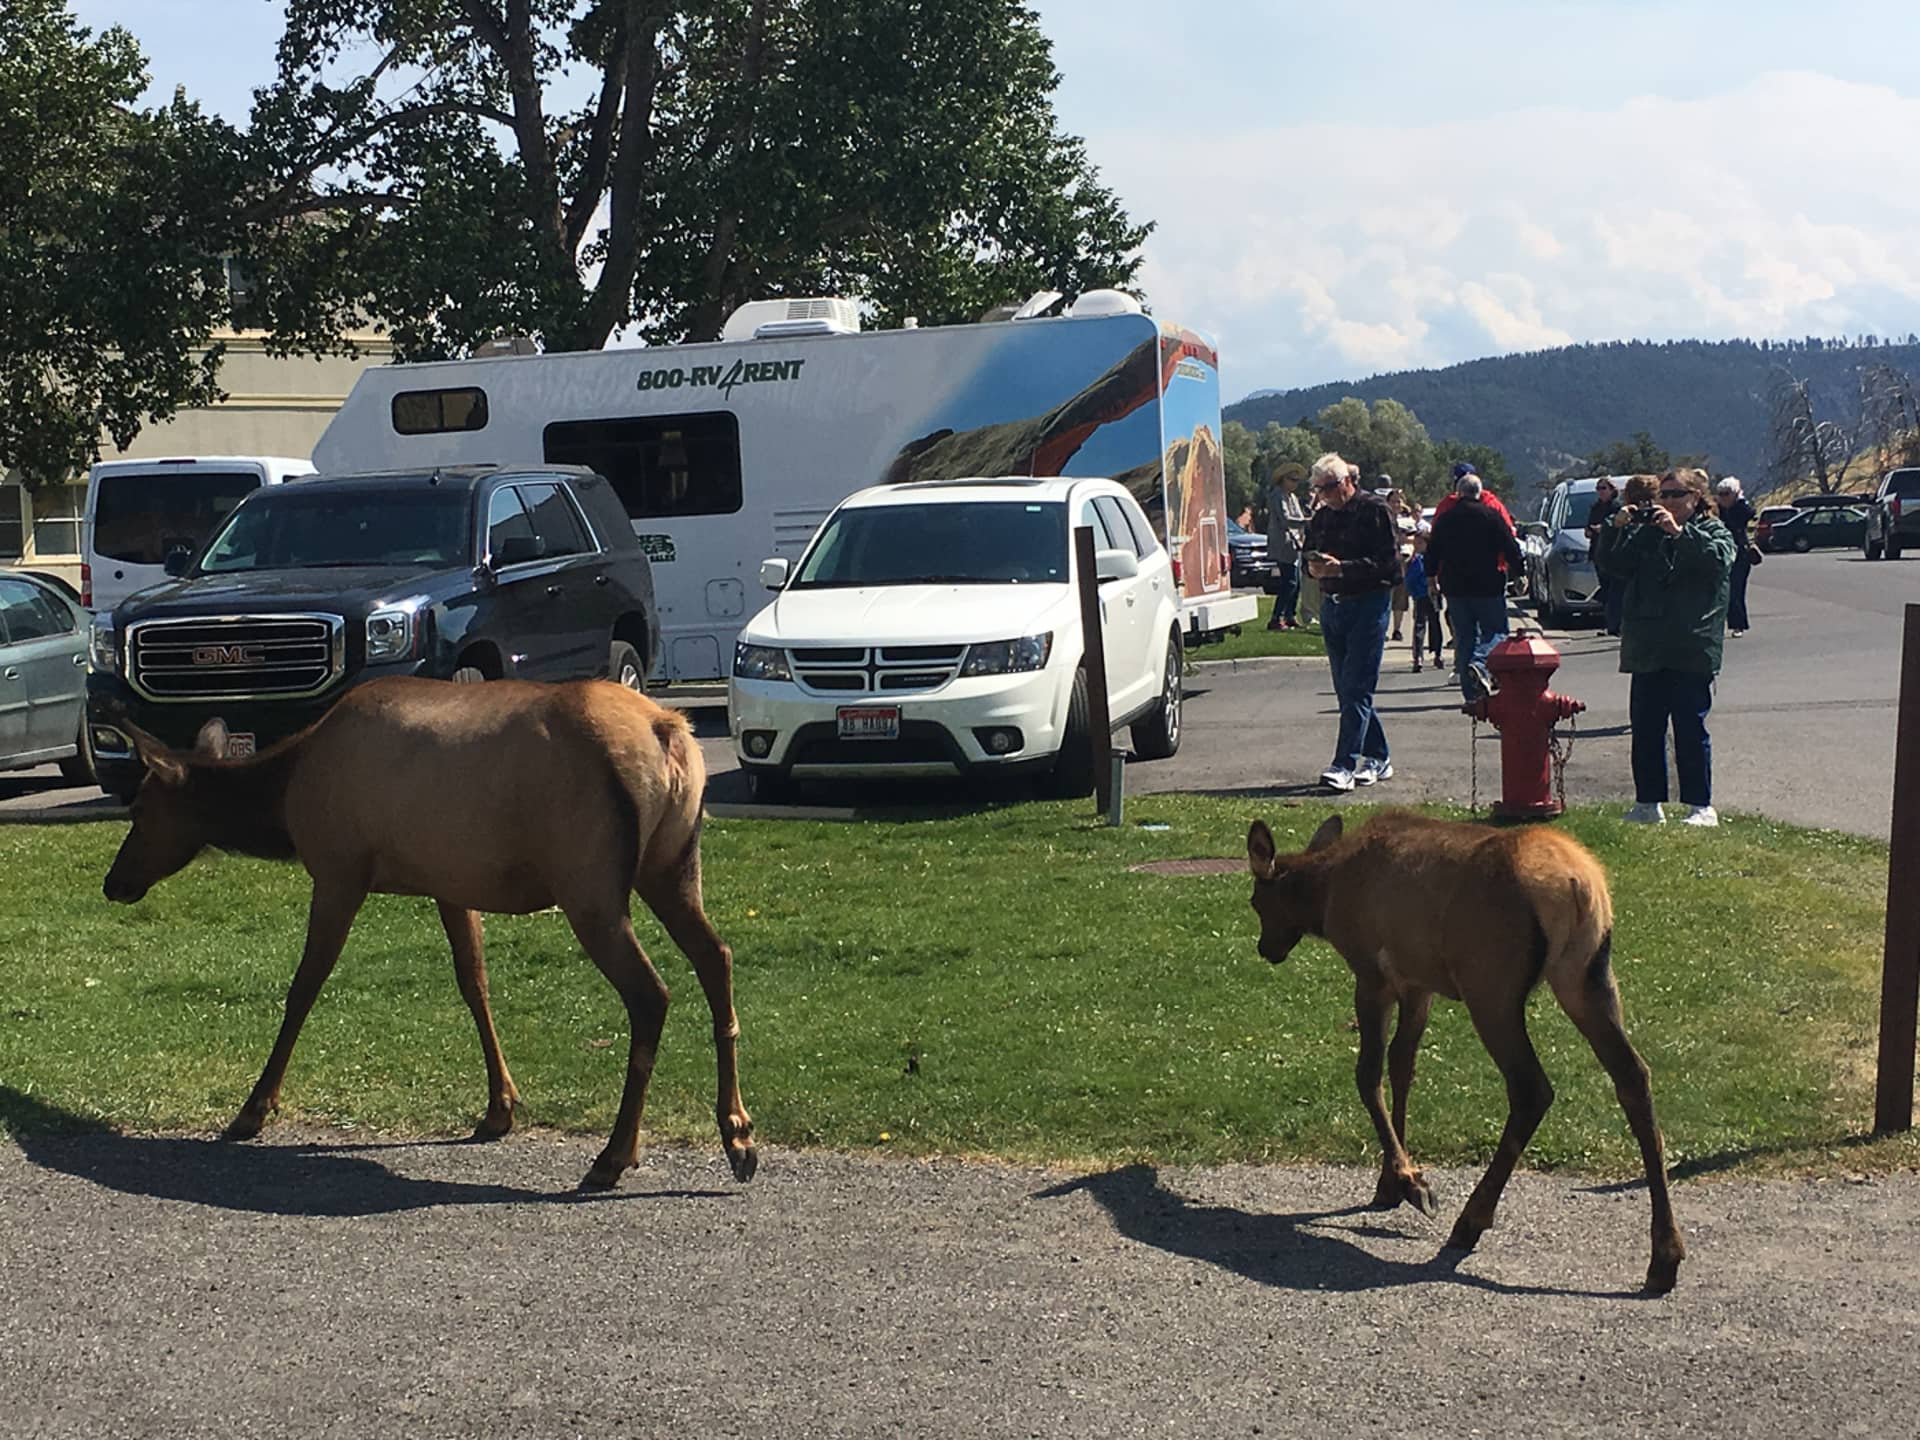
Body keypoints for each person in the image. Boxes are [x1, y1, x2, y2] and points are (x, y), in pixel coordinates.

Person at [1594, 467, 1735, 827]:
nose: (1668, 502)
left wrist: (1679, 533)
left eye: (1676, 495)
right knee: (1645, 729)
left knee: (1690, 729)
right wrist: (1616, 528)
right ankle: (1647, 803)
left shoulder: (1712, 531)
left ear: (1695, 498)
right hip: (1648, 646)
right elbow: (1613, 565)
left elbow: (1718, 563)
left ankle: (1700, 805)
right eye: (1664, 495)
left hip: (1691, 646)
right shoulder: (1646, 534)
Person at [1302, 452, 1401, 791]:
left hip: (1369, 604)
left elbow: (1389, 566)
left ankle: (1344, 764)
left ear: (1346, 482)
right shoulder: (1321, 518)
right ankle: (1379, 755)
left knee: (1358, 687)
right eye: (1318, 490)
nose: (1323, 496)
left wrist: (1342, 567)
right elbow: (1307, 554)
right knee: (1347, 690)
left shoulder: (1375, 511)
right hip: (1334, 606)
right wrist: (1314, 567)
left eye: (1328, 488)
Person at [1424, 474, 1525, 702]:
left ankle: (1471, 695)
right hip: (1488, 584)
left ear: (1458, 493)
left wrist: (1431, 578)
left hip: (1455, 587)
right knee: (1496, 631)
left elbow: (1432, 553)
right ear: (1480, 492)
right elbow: (1510, 547)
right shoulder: (1491, 516)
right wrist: (1520, 573)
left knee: (1465, 636)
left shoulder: (1445, 519)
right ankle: (1479, 664)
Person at [1263, 469, 1307, 630]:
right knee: (1289, 582)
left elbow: (1298, 517)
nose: (1295, 483)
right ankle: (1276, 618)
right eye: (1292, 479)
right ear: (1283, 480)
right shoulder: (1278, 495)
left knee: (1297, 583)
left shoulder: (1292, 497)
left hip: (1294, 544)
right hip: (1282, 543)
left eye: (1297, 480)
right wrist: (1306, 522)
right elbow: (1286, 519)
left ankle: (1290, 615)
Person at [1714, 476, 1756, 637]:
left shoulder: (1742, 508)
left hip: (1740, 553)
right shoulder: (1717, 509)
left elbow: (1751, 519)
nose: (1723, 497)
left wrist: (1740, 502)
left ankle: (1738, 625)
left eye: (1727, 493)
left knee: (1736, 589)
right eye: (1721, 493)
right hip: (1722, 551)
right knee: (1720, 590)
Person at [1584, 477, 1625, 636]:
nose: (1600, 491)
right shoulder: (1595, 508)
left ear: (1612, 490)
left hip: (1613, 552)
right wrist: (1590, 531)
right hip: (1598, 552)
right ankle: (1610, 624)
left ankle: (1616, 624)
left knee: (1616, 590)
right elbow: (1588, 528)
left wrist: (1605, 529)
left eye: (1603, 488)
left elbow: (1619, 526)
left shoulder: (1617, 507)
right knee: (1606, 590)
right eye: (1598, 488)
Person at [1405, 525, 1445, 673]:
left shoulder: (1427, 559)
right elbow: (1409, 579)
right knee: (1421, 625)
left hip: (1430, 593)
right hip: (1422, 595)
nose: (1417, 546)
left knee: (1432, 624)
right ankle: (1419, 656)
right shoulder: (1415, 560)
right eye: (1415, 544)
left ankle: (1436, 653)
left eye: (1420, 543)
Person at [1384, 489, 1416, 642]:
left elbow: (1417, 540)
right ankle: (1383, 629)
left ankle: (1397, 629)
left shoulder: (1408, 521)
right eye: (1393, 501)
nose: (1396, 504)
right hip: (1388, 561)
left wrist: (1407, 540)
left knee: (1401, 598)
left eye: (1399, 501)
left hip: (1405, 561)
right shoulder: (1383, 519)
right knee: (1386, 596)